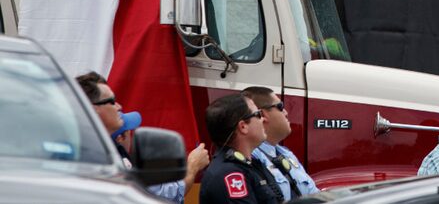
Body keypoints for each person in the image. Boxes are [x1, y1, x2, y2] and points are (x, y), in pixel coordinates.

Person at [75, 71, 209, 203]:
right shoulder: (84, 162)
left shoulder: (114, 154)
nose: (118, 107)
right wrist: (192, 167)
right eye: (111, 101)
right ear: (92, 109)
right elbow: (157, 196)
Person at [200, 93, 284, 203]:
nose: (263, 119)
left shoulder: (252, 165)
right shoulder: (229, 175)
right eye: (258, 114)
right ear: (243, 126)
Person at [242, 86, 319, 199]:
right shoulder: (250, 158)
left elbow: (316, 196)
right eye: (280, 107)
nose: (286, 112)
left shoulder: (285, 154)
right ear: (262, 115)